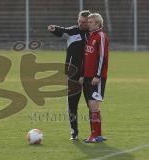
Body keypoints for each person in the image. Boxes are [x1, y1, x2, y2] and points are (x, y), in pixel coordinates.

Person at [48, 10, 91, 140]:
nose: (81, 24)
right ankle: (74, 132)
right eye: (80, 21)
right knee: (72, 105)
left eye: (84, 22)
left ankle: (94, 133)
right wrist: (54, 29)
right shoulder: (73, 31)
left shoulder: (93, 35)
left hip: (89, 74)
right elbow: (62, 30)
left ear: (89, 22)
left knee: (92, 105)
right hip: (73, 74)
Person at [79, 13, 109, 143]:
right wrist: (82, 75)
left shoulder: (101, 36)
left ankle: (95, 135)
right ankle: (97, 134)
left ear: (98, 24)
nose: (88, 23)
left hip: (96, 78)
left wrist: (97, 76)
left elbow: (102, 58)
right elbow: (87, 58)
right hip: (87, 77)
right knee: (92, 107)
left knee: (94, 106)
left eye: (91, 22)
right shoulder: (90, 37)